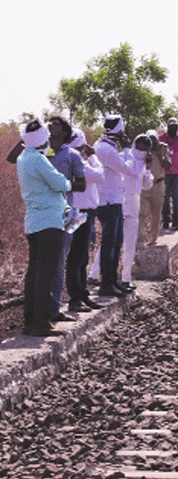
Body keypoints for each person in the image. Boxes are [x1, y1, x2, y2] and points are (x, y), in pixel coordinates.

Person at [16, 119, 73, 336]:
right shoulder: (38, 160)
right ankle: (41, 322)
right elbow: (59, 183)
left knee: (34, 274)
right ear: (42, 138)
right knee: (45, 274)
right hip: (49, 222)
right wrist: (66, 182)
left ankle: (30, 321)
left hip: (34, 222)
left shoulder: (24, 157)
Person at [94, 115, 145, 297]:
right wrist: (127, 150)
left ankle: (112, 281)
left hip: (110, 199)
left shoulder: (101, 145)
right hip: (110, 201)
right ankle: (107, 283)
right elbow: (130, 169)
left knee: (114, 243)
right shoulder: (108, 150)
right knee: (111, 244)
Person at [45, 116, 85, 322]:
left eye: (55, 123)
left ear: (64, 131)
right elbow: (12, 157)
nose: (50, 125)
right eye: (48, 123)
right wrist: (27, 137)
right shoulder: (38, 152)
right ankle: (42, 310)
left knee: (59, 263)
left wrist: (59, 184)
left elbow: (82, 185)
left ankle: (54, 308)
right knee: (42, 263)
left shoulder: (73, 155)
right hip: (43, 214)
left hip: (66, 214)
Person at [66, 129, 104, 311]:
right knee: (77, 256)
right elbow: (100, 176)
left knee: (81, 256)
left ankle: (82, 293)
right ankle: (76, 298)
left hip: (81, 212)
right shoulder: (80, 163)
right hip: (80, 213)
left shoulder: (70, 160)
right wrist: (93, 156)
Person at [121, 134, 152, 289]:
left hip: (133, 205)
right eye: (139, 147)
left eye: (145, 149)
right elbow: (130, 171)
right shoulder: (124, 157)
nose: (141, 150)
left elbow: (147, 185)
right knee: (111, 241)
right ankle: (95, 274)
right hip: (119, 204)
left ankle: (125, 278)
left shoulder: (143, 165)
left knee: (130, 244)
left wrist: (148, 169)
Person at [137, 130, 171, 246]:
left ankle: (153, 239)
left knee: (156, 214)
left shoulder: (162, 149)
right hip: (144, 185)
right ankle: (140, 240)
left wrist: (160, 153)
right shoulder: (142, 150)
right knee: (142, 213)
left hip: (158, 184)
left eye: (153, 139)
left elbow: (168, 166)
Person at [159, 118, 178, 230]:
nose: (173, 128)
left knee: (176, 197)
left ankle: (176, 221)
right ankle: (165, 220)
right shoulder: (161, 138)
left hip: (177, 171)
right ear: (168, 126)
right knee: (164, 197)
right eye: (171, 126)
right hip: (165, 171)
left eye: (175, 126)